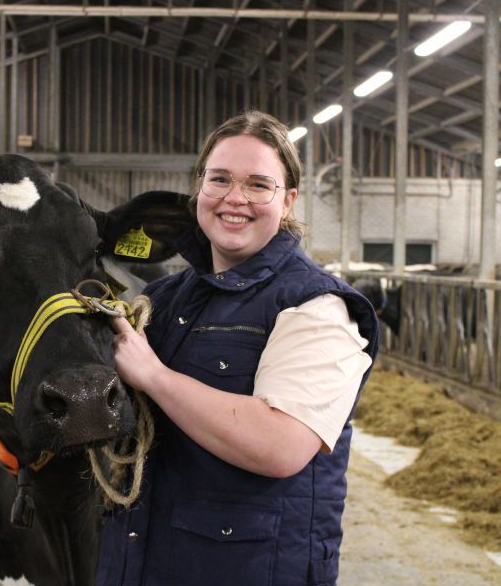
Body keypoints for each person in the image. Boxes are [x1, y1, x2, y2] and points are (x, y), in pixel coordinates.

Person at [96, 110, 379, 586]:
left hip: (250, 568)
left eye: (258, 185)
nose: (234, 199)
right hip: (143, 562)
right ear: (198, 188)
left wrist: (154, 377)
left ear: (287, 200)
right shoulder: (163, 300)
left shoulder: (316, 306)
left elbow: (280, 445)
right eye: (220, 179)